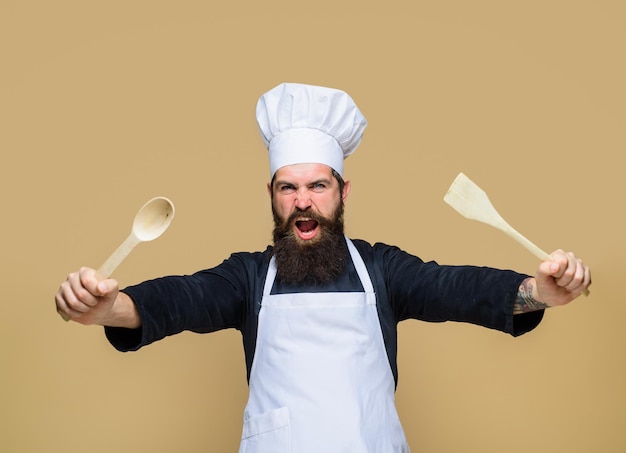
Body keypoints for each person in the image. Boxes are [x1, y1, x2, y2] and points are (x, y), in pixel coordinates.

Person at [55, 82, 591, 452]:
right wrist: (110, 308)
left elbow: (457, 287)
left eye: (318, 185)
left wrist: (535, 292)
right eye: (289, 187)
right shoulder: (247, 279)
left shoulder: (383, 270)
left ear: (342, 192)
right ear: (272, 195)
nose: (303, 201)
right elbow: (178, 301)